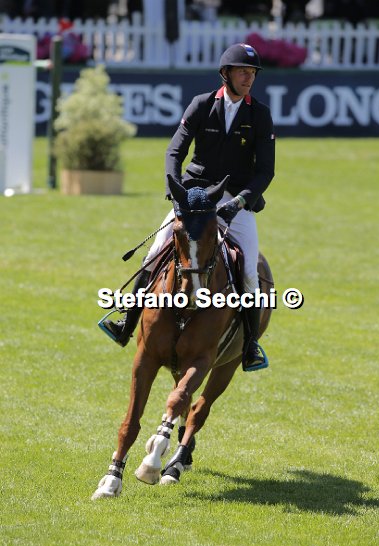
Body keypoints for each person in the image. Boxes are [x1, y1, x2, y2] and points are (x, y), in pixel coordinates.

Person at [102, 42, 275, 371]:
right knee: (154, 254)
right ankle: (126, 324)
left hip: (236, 200)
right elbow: (175, 151)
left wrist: (239, 202)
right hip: (195, 197)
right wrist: (176, 189)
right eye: (242, 71)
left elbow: (266, 171)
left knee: (250, 272)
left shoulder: (260, 114)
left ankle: (250, 344)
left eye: (252, 72)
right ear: (226, 74)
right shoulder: (201, 104)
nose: (248, 77)